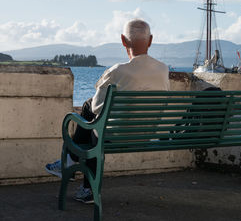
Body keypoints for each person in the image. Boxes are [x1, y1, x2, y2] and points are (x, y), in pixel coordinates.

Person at [45, 19, 170, 204]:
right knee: (95, 127)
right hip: (147, 134)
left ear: (123, 40)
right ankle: (78, 176)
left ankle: (74, 168)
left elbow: (96, 107)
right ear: (150, 40)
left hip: (116, 136)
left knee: (90, 114)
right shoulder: (163, 69)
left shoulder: (118, 71)